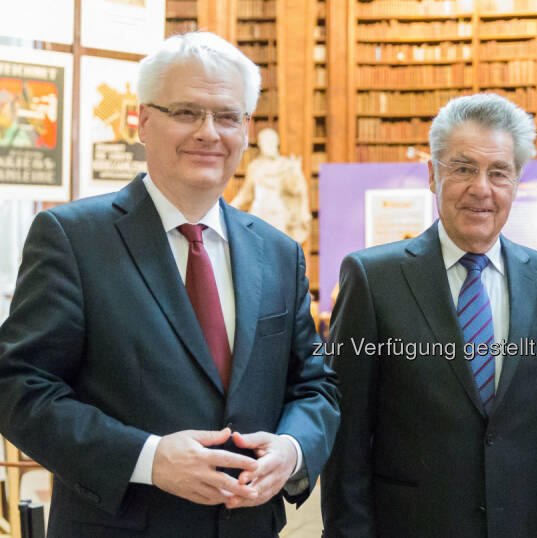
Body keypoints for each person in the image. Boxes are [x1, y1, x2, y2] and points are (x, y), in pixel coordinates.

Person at [0, 32, 339, 537]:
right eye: (186, 112)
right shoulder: (72, 238)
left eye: (228, 116)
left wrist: (291, 451)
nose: (209, 132)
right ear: (142, 121)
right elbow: (18, 388)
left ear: (246, 130)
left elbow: (315, 385)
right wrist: (149, 459)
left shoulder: (279, 252)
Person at [321, 93, 537, 538]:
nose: (481, 188)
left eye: (498, 172)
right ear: (432, 175)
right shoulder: (372, 279)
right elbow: (347, 441)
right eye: (462, 168)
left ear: (516, 180)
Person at [231, 128, 311, 245]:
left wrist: (295, 173)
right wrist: (227, 208)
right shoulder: (255, 166)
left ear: (276, 143)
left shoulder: (286, 165)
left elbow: (296, 190)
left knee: (278, 250)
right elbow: (245, 194)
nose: (267, 145)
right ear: (259, 144)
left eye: (270, 141)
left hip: (277, 213)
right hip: (258, 213)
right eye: (264, 142)